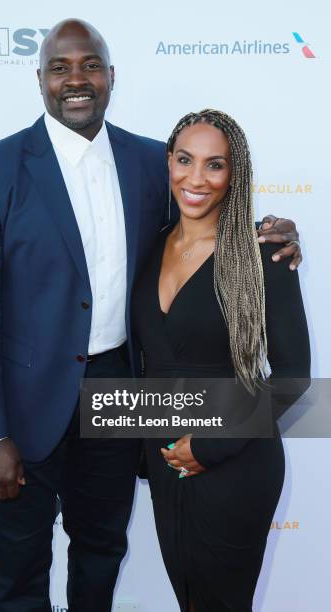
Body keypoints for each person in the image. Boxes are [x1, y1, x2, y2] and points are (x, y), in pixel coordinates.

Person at [0, 18, 302, 612]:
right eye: (61, 67)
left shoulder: (148, 162)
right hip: (25, 405)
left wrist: (277, 234)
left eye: (90, 66)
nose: (76, 79)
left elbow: (208, 217)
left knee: (102, 548)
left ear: (112, 77)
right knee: (19, 562)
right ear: (40, 79)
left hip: (122, 395)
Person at [132, 109, 311, 612]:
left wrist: (209, 446)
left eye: (215, 165)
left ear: (236, 174)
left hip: (233, 463)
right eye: (185, 160)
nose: (196, 178)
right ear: (168, 162)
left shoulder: (262, 252)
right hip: (165, 459)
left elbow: (294, 379)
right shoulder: (150, 244)